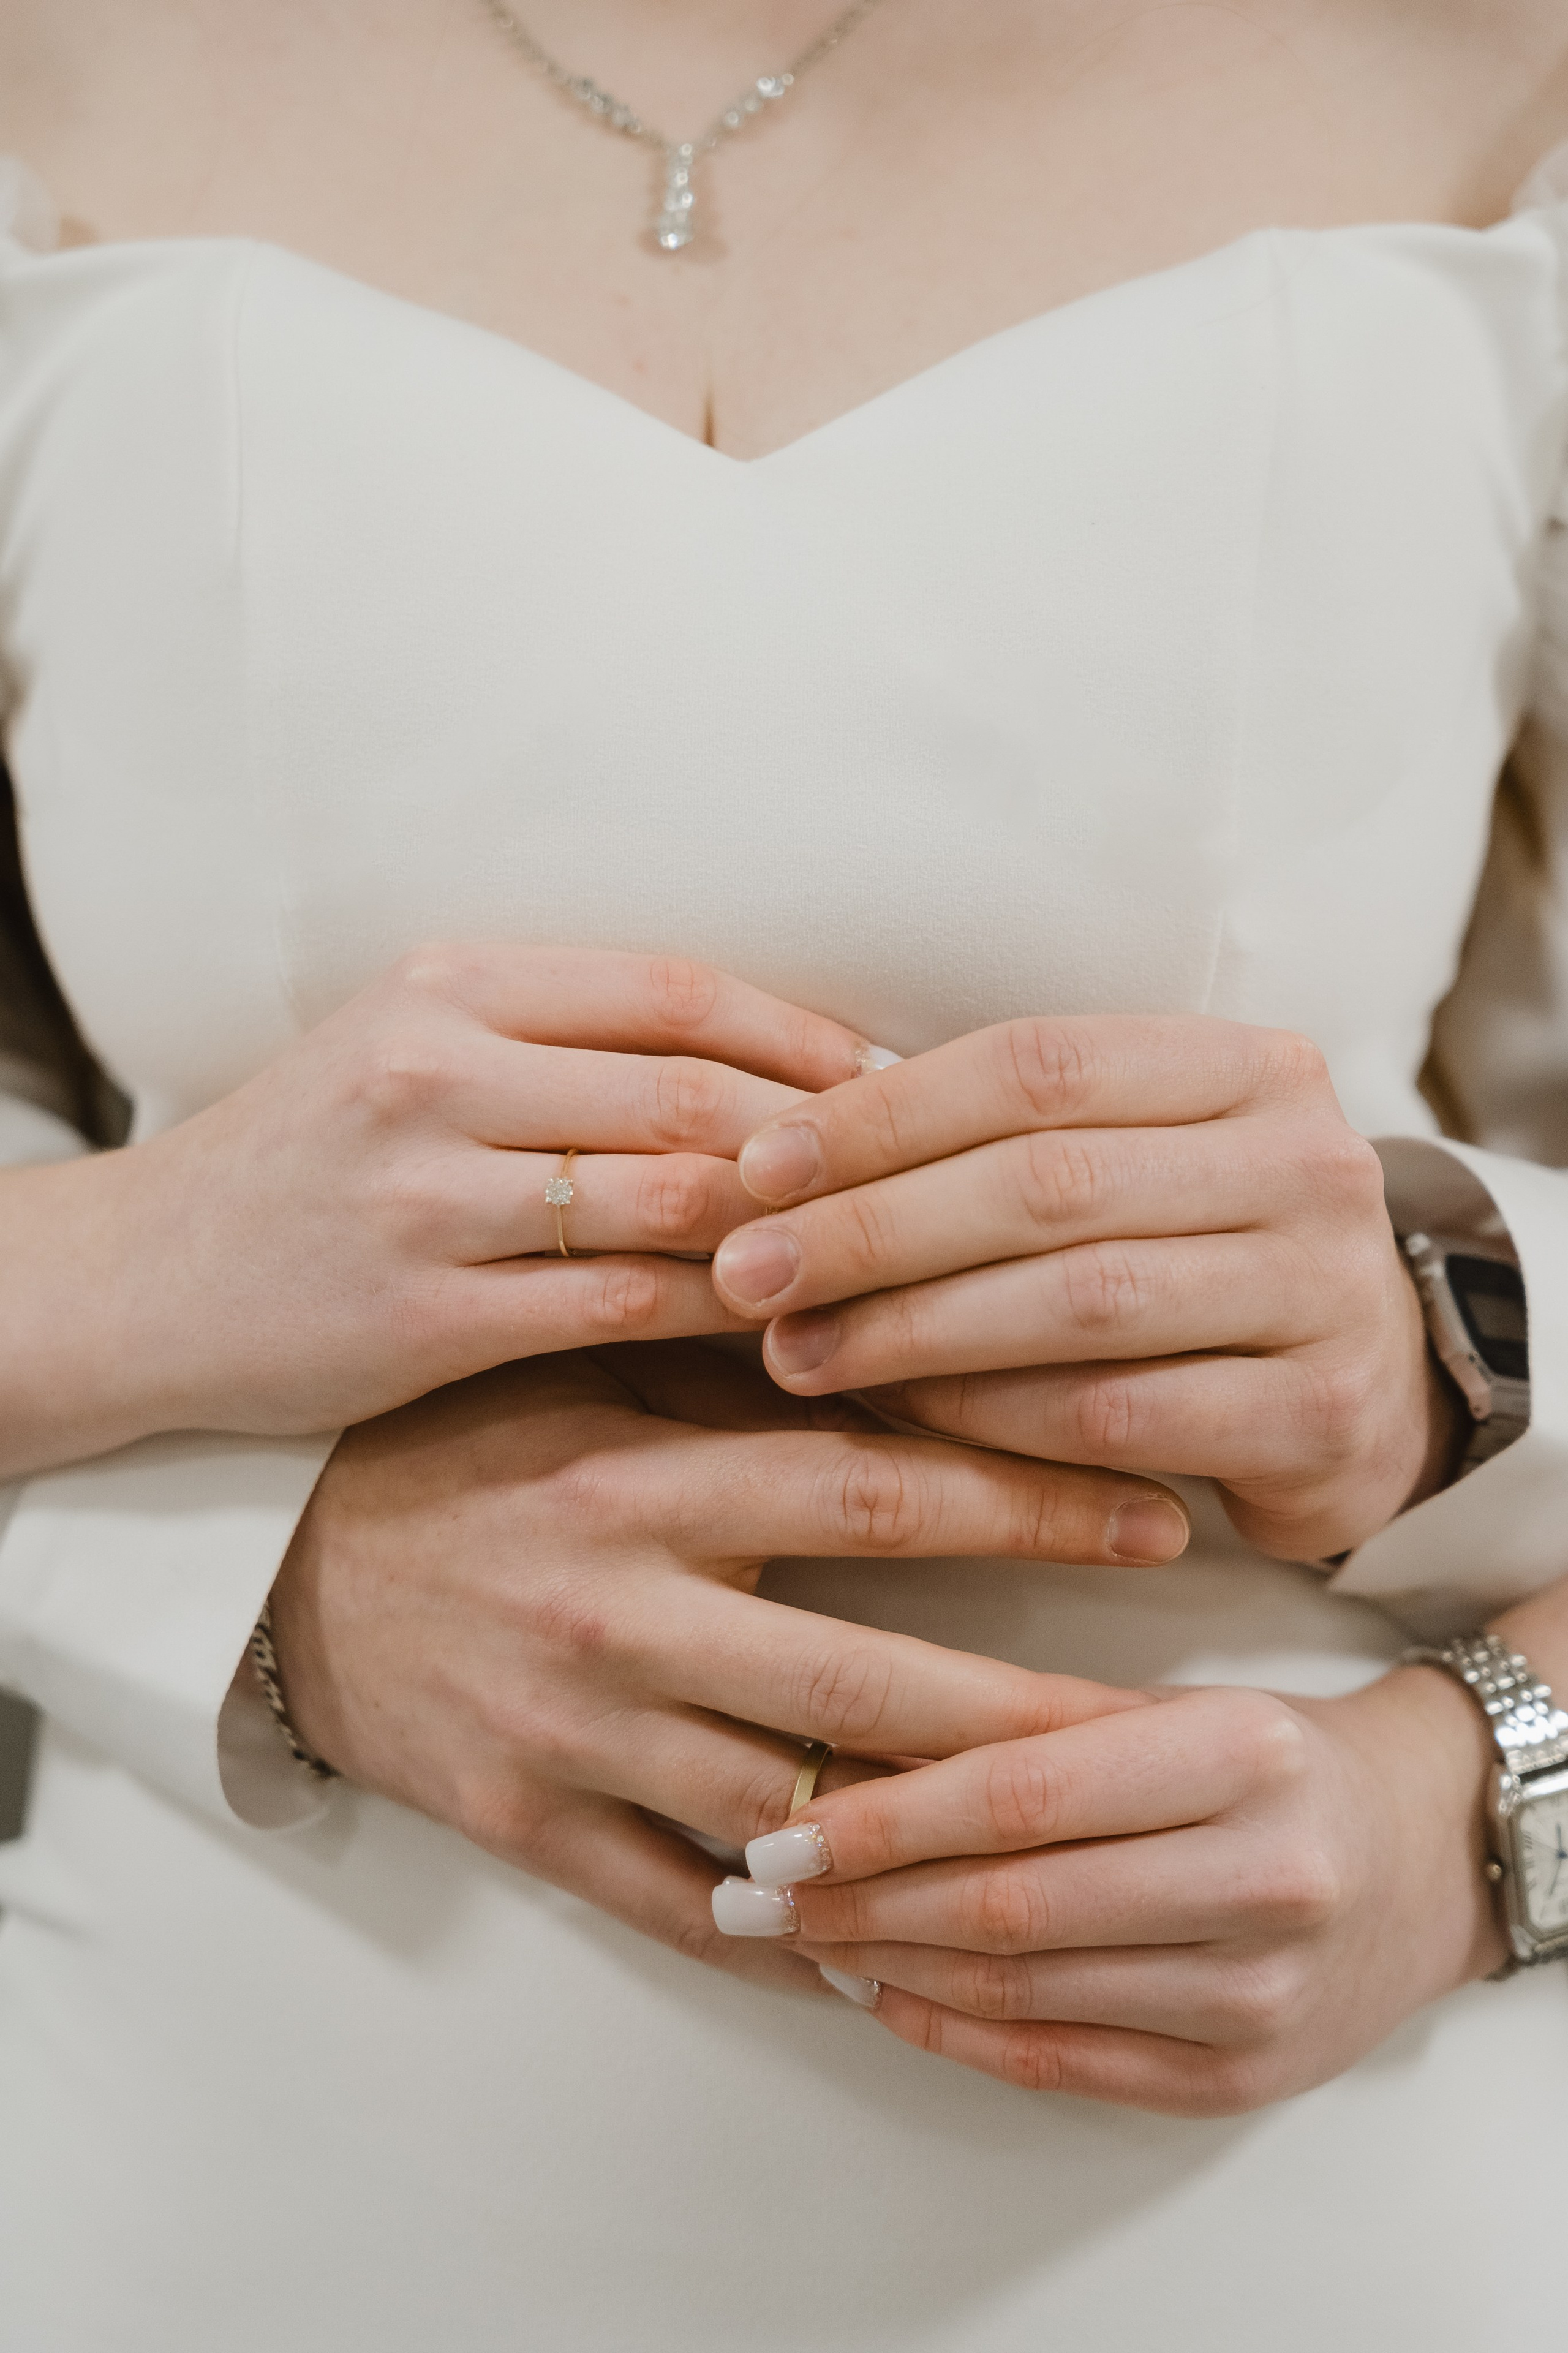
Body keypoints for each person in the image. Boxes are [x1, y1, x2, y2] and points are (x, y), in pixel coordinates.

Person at [2, 3, 1568, 2345]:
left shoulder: (1506, 72)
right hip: (220, 2179)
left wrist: (1469, 1765)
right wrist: (212, 1472)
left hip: (1315, 2213)